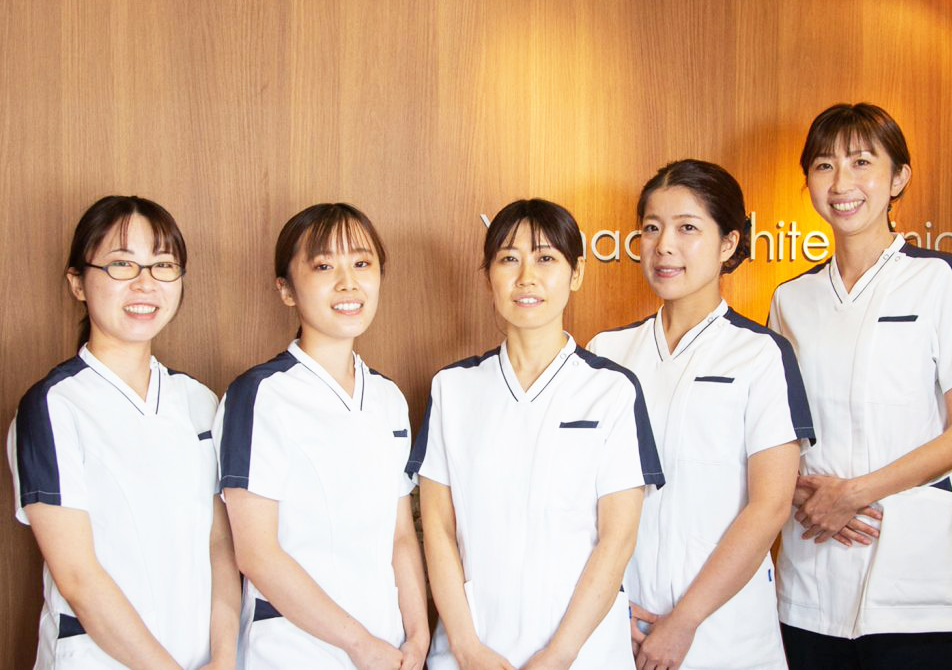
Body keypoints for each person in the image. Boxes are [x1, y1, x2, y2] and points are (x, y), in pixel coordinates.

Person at [769, 103, 952, 669]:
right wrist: (806, 495)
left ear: (898, 178)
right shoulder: (790, 299)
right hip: (812, 574)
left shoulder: (938, 278)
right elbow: (772, 435)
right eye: (824, 165)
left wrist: (855, 493)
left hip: (913, 585)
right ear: (808, 183)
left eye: (861, 162)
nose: (841, 183)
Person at [406, 198, 664, 669]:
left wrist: (560, 654)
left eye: (546, 258)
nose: (526, 277)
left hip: (584, 655)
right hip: (470, 652)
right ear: (488, 276)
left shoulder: (611, 390)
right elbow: (438, 530)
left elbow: (617, 539)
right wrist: (466, 648)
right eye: (509, 259)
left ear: (576, 273)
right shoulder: (453, 388)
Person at [588, 159, 811, 669]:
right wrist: (611, 607)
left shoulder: (760, 354)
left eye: (687, 228)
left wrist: (685, 620)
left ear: (729, 243)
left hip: (724, 632)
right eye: (652, 228)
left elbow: (770, 506)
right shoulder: (605, 353)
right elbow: (583, 501)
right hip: (624, 626)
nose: (664, 245)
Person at [6, 195, 239, 669]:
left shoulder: (199, 402)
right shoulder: (53, 406)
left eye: (163, 265)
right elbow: (78, 577)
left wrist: (224, 656)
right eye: (121, 264)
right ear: (78, 282)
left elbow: (219, 544)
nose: (145, 283)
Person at [215, 202, 428, 669]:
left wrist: (417, 637)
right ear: (286, 289)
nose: (348, 283)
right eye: (324, 266)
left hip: (389, 651)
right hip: (294, 652)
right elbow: (256, 553)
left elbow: (399, 537)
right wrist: (358, 644)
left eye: (362, 263)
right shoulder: (260, 394)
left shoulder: (388, 398)